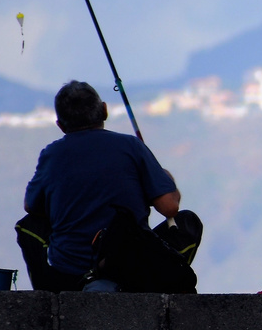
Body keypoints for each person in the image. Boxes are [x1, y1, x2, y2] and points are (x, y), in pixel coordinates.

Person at [20, 80, 200, 292]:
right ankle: (162, 287)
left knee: (33, 224)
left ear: (60, 124)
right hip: (129, 268)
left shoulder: (51, 154)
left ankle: (59, 289)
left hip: (68, 273)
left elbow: (31, 206)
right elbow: (170, 208)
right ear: (104, 111)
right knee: (188, 223)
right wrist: (166, 179)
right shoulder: (131, 147)